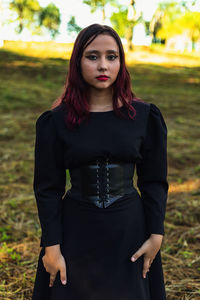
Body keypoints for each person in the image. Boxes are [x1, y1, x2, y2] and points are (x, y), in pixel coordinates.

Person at [31, 23, 169, 300]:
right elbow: (48, 188)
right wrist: (52, 246)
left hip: (129, 231)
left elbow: (154, 181)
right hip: (75, 232)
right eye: (92, 56)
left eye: (112, 56)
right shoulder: (56, 121)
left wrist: (156, 235)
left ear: (121, 62)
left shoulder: (144, 117)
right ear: (77, 62)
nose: (103, 65)